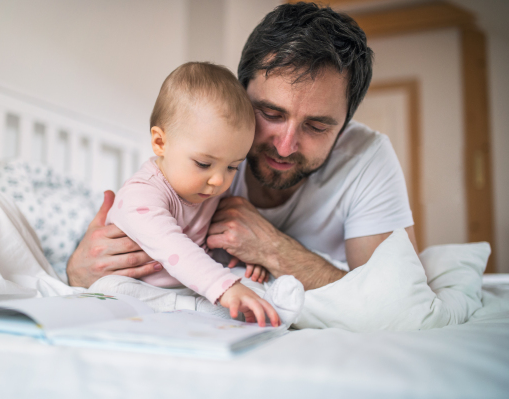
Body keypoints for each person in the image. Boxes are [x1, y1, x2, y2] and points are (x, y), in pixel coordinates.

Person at [66, 2, 417, 296]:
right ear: (241, 94)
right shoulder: (203, 145)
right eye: (270, 113)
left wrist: (275, 250)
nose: (285, 145)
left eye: (316, 126)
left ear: (345, 127)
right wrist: (78, 271)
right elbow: (139, 241)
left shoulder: (367, 157)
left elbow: (397, 300)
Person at [97, 62, 305, 327]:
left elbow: (206, 248)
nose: (219, 180)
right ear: (160, 143)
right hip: (140, 288)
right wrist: (224, 286)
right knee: (111, 289)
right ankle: (197, 308)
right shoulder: (141, 195)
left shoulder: (206, 192)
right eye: (204, 164)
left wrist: (243, 260)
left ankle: (273, 307)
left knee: (245, 283)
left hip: (185, 284)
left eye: (232, 167)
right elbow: (174, 247)